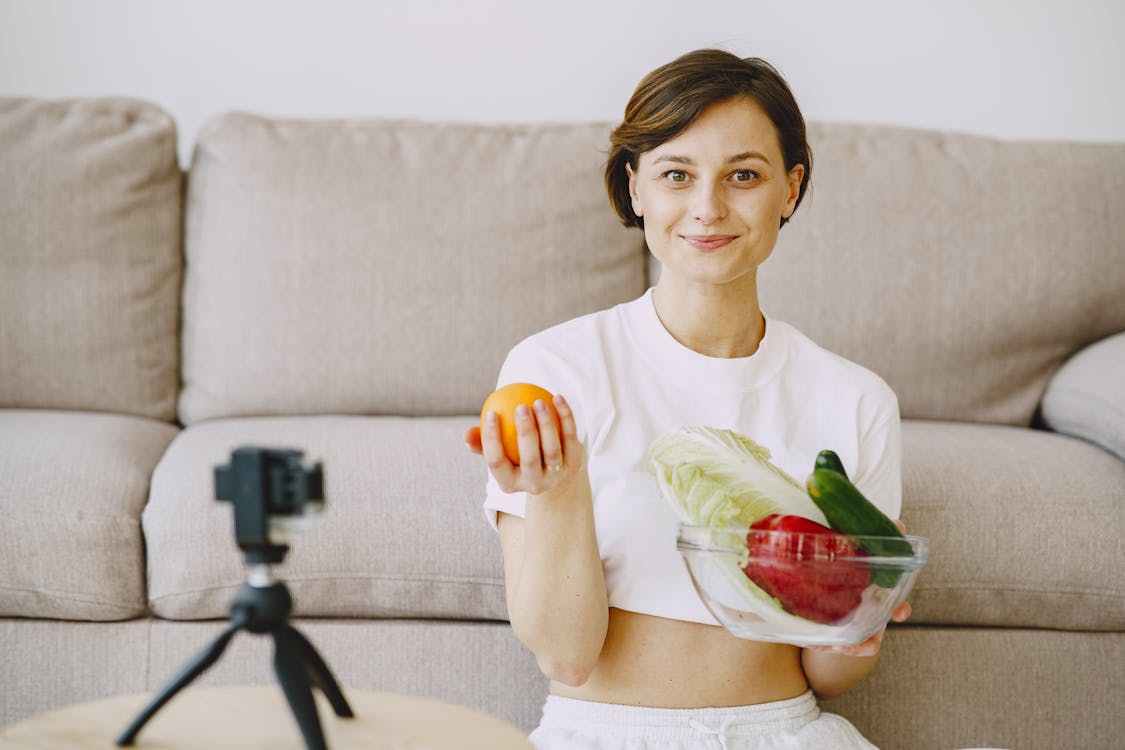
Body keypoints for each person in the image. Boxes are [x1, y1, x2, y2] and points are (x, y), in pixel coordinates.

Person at [464, 48, 910, 750]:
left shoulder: (854, 399)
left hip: (785, 733)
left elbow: (828, 675)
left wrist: (857, 624)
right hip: (602, 732)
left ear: (789, 191)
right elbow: (565, 656)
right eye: (676, 175)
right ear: (636, 188)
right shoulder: (554, 369)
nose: (708, 208)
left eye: (743, 175)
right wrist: (558, 491)